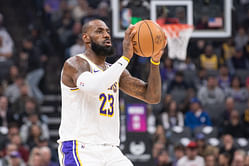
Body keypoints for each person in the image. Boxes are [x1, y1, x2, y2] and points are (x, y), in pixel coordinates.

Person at [57, 19, 166, 166]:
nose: (106, 35)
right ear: (86, 38)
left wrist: (155, 62)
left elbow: (152, 96)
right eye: (99, 31)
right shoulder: (75, 63)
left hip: (111, 150)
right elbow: (94, 87)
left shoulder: (116, 71)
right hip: (81, 147)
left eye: (108, 31)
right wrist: (125, 57)